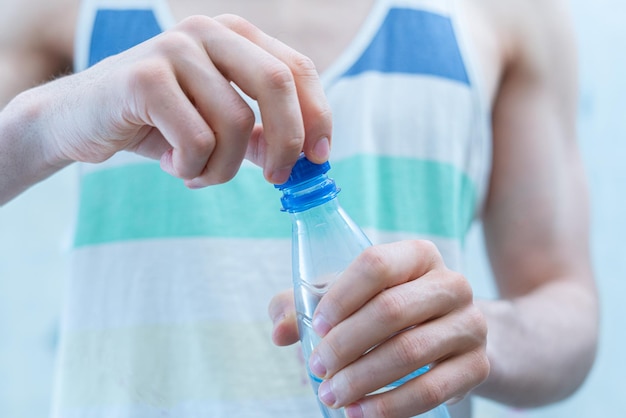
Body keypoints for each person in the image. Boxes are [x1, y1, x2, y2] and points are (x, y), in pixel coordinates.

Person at [0, 0, 598, 417]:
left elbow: (569, 311)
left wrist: (472, 333)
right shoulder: (51, 7)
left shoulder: (512, 10)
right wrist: (44, 123)